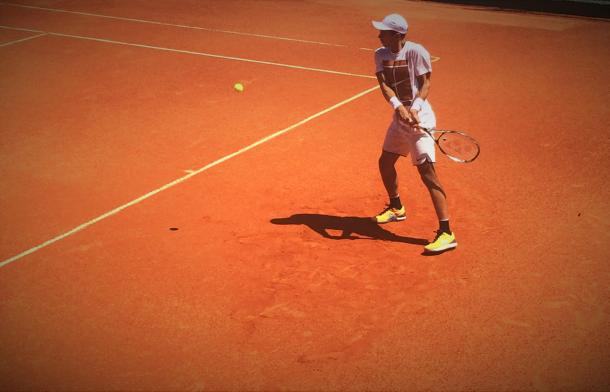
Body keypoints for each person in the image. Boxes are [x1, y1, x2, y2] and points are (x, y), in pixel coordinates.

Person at [371, 13, 457, 253]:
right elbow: (384, 84)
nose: (379, 35)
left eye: (384, 32)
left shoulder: (416, 51)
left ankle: (447, 232)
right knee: (385, 162)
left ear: (397, 35)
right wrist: (399, 108)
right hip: (400, 119)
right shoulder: (380, 54)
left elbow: (426, 83)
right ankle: (397, 208)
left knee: (428, 174)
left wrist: (415, 108)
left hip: (421, 120)